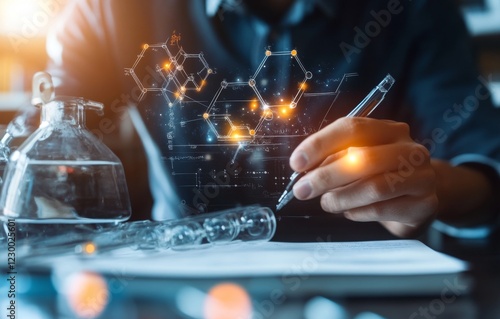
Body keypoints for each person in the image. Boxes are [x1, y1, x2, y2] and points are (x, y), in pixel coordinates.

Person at [45, 0, 500, 241]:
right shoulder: (110, 7)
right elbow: (51, 133)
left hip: (366, 300)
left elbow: (483, 166)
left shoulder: (415, 10)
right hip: (175, 285)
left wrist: (428, 186)